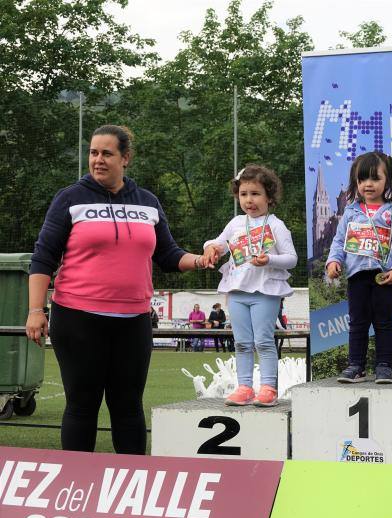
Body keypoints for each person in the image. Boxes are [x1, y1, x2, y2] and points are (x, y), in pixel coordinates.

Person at [25, 124, 209, 455]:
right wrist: (36, 310)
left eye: (106, 154)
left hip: (133, 321)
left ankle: (132, 488)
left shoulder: (148, 202)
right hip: (77, 319)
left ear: (125, 158)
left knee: (128, 408)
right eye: (93, 153)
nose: (98, 160)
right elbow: (43, 258)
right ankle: (77, 486)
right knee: (82, 406)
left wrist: (200, 260)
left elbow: (168, 255)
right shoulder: (70, 199)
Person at [202, 165, 297, 407]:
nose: (249, 200)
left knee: (264, 341)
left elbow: (292, 258)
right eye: (243, 194)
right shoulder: (235, 223)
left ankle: (268, 388)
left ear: (269, 196)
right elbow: (219, 244)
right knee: (242, 342)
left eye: (255, 193)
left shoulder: (276, 225)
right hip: (237, 292)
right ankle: (244, 387)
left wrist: (270, 260)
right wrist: (211, 248)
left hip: (265, 292)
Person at [326, 152, 392, 385]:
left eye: (375, 178)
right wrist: (333, 261)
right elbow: (338, 240)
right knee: (357, 322)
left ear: (388, 181)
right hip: (356, 277)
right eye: (362, 179)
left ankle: (384, 366)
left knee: (384, 321)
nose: (368, 184)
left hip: (385, 276)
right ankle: (356, 366)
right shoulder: (351, 212)